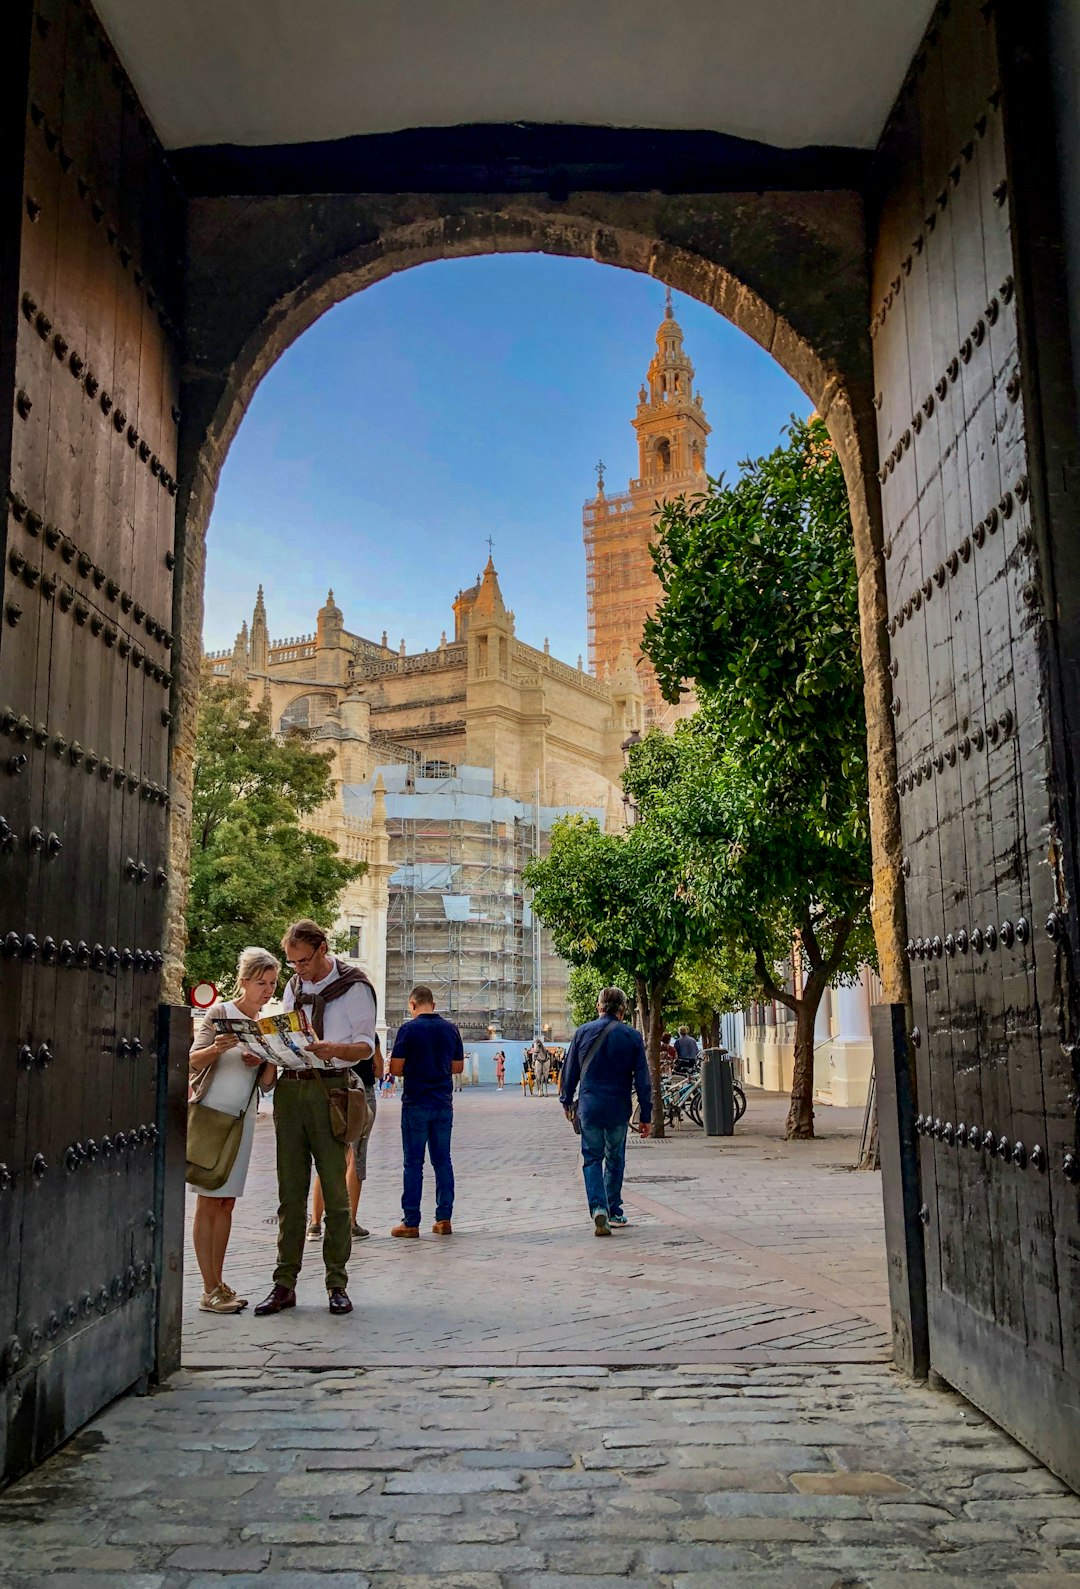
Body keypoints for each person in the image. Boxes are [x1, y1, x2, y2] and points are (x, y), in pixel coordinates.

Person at [253, 920, 377, 1318]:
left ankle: (336, 1283)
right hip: (292, 1089)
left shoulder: (355, 986)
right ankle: (283, 1283)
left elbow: (364, 1047)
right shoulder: (294, 987)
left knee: (336, 1198)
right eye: (292, 963)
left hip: (332, 1088)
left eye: (303, 961)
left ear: (322, 948)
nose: (298, 970)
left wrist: (331, 1048)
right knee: (290, 1194)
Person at [188, 947, 279, 1314]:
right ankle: (208, 1287)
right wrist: (216, 1047)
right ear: (244, 981)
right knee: (207, 1198)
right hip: (212, 1115)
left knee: (226, 1202)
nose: (268, 991)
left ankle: (219, 1282)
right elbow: (191, 1062)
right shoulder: (220, 1013)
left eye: (272, 984)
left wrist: (267, 1058)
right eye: (261, 983)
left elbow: (269, 1084)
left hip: (242, 1119)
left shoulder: (267, 1025)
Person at [560, 985, 652, 1237]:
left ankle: (598, 1207)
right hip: (618, 1108)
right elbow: (643, 1080)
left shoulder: (582, 1032)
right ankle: (613, 1210)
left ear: (598, 1007)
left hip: (589, 1107)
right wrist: (646, 1116)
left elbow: (569, 1072)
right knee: (615, 1158)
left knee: (591, 1158)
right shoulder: (632, 1036)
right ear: (623, 1010)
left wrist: (567, 1101)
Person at [389, 984, 464, 1237]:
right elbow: (458, 1067)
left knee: (413, 1163)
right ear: (433, 1004)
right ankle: (444, 1219)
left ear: (412, 1005)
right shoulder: (450, 1029)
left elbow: (396, 1068)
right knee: (443, 1161)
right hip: (443, 1103)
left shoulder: (408, 1030)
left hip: (415, 1103)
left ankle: (411, 1221)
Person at [308, 1033, 384, 1243]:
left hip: (331, 1092)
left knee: (328, 1156)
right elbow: (379, 1069)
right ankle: (350, 1223)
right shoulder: (369, 1034)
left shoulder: (326, 1030)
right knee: (357, 1157)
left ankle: (314, 1223)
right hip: (361, 1094)